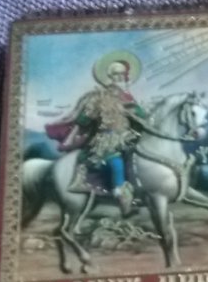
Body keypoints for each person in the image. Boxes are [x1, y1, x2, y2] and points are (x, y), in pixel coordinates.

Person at [46, 51, 147, 213]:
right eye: (116, 75)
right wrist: (74, 133)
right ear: (110, 77)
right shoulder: (99, 96)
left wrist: (134, 109)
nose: (120, 77)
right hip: (105, 140)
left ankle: (141, 193)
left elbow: (141, 116)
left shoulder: (128, 97)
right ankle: (123, 202)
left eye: (123, 74)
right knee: (116, 163)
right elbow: (83, 119)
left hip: (128, 138)